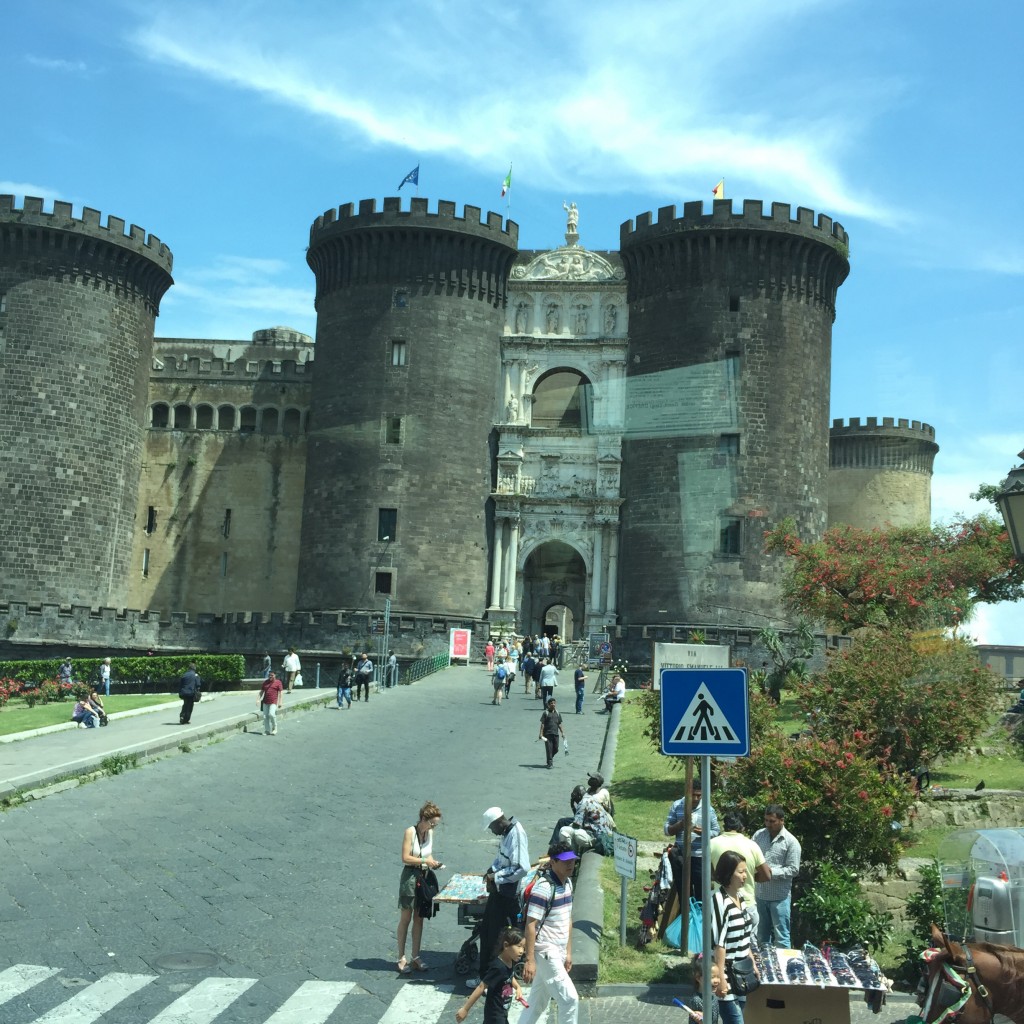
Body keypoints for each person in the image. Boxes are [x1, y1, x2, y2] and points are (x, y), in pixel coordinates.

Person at [519, 841, 579, 1024]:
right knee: (570, 1000)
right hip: (546, 952)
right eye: (565, 861)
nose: (570, 865)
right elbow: (531, 925)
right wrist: (529, 960)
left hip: (558, 951)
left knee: (538, 1002)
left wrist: (568, 952)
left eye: (573, 860)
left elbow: (567, 919)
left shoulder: (567, 883)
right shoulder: (544, 888)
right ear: (553, 862)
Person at [470, 807, 530, 989]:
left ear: (498, 822)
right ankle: (485, 977)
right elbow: (501, 860)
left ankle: (489, 980)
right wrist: (491, 870)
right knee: (488, 933)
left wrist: (496, 877)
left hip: (508, 894)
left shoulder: (516, 834)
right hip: (499, 891)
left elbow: (522, 868)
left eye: (491, 828)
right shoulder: (506, 834)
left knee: (495, 937)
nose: (491, 832)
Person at [711, 850, 757, 1024]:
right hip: (727, 973)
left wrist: (752, 963)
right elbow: (719, 944)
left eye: (745, 871)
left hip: (742, 972)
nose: (745, 876)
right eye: (741, 872)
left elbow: (746, 935)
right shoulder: (718, 900)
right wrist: (721, 978)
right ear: (729, 873)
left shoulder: (741, 897)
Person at [397, 800, 443, 974]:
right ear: (423, 818)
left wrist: (433, 862)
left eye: (435, 825)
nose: (433, 827)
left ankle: (415, 956)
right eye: (432, 823)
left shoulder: (429, 833)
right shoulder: (410, 832)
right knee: (406, 918)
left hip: (424, 877)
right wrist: (425, 861)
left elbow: (428, 853)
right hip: (410, 877)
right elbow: (405, 857)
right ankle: (401, 957)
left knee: (419, 917)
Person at [708, 811, 770, 935]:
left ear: (724, 827)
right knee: (748, 947)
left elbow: (708, 874)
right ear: (743, 828)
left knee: (720, 942)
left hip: (720, 902)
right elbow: (766, 875)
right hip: (747, 903)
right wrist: (750, 876)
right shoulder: (752, 846)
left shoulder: (712, 844)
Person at [752, 805, 801, 949]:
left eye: (772, 821)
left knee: (781, 937)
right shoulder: (758, 835)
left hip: (779, 898)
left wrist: (770, 872)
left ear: (782, 820)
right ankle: (764, 966)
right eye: (766, 820)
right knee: (761, 936)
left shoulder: (791, 842)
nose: (768, 824)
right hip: (760, 895)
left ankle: (784, 968)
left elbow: (793, 869)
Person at [665, 776, 720, 905]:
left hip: (700, 857)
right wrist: (681, 825)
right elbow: (667, 830)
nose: (696, 799)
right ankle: (685, 920)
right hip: (681, 857)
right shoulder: (677, 805)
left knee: (701, 895)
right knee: (684, 894)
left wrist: (704, 832)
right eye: (693, 795)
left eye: (699, 795)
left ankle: (700, 922)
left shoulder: (708, 809)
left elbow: (716, 832)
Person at [456, 926, 526, 1024]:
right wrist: (465, 1009)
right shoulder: (498, 968)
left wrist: (517, 987)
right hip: (495, 1015)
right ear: (506, 945)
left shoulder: (510, 960)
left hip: (502, 1011)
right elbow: (481, 987)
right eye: (519, 946)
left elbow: (509, 976)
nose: (522, 951)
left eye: (523, 947)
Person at [686, 954, 721, 1023]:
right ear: (698, 978)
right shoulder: (696, 1001)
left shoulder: (713, 997)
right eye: (712, 977)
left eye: (718, 976)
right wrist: (701, 1019)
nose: (717, 980)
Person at [539, 699, 565, 769]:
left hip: (555, 734)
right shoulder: (545, 713)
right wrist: (540, 734)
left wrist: (562, 733)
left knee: (556, 749)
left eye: (554, 703)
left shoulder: (558, 713)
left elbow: (559, 724)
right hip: (547, 734)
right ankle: (550, 763)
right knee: (549, 749)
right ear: (548, 705)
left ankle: (549, 758)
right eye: (551, 703)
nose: (553, 704)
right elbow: (542, 724)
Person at [259, 671, 283, 735]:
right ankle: (267, 730)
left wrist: (280, 702)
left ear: (275, 675)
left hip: (273, 701)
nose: (270, 676)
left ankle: (275, 728)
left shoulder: (278, 682)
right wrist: (258, 699)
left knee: (272, 714)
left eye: (272, 675)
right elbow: (261, 692)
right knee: (265, 716)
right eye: (269, 675)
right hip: (265, 701)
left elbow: (280, 693)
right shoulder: (266, 682)